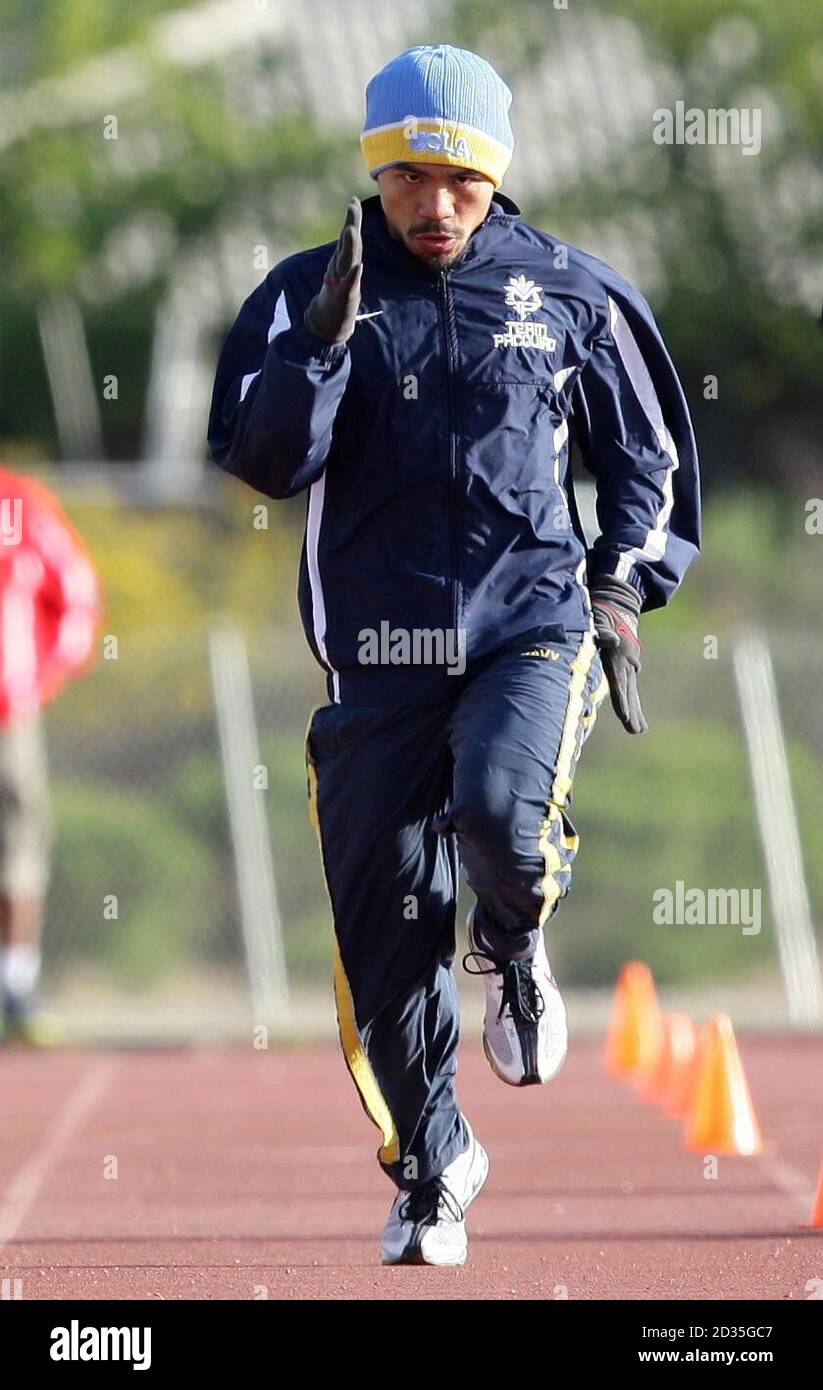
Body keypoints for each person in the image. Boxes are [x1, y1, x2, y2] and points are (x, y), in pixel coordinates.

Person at [208, 44, 700, 1266]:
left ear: (497, 178)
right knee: (387, 941)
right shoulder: (300, 292)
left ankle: (519, 939)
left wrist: (619, 591)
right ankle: (434, 1168)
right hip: (373, 662)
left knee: (499, 815)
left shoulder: (570, 290)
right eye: (411, 180)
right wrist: (315, 348)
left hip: (528, 630)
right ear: (377, 173)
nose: (436, 208)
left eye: (463, 184)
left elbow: (651, 461)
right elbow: (263, 462)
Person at [0, 467, 103, 1043]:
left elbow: (78, 594)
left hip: (8, 713)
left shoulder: (17, 502)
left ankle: (16, 987)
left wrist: (39, 679)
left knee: (20, 840)